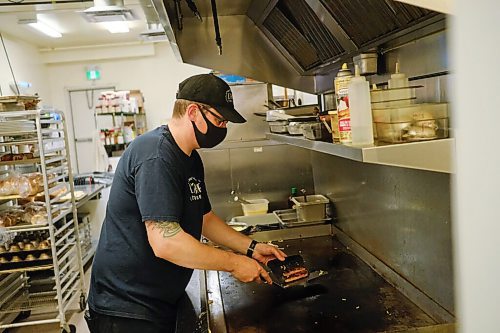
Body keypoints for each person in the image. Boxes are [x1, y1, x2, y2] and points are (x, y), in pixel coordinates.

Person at [85, 74, 286, 333]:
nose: (223, 128)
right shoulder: (156, 156)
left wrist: (252, 248)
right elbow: (165, 242)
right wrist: (234, 263)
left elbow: (205, 218)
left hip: (159, 300)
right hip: (128, 309)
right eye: (219, 120)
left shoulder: (189, 157)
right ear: (193, 111)